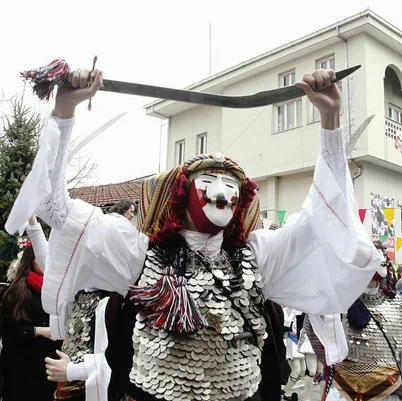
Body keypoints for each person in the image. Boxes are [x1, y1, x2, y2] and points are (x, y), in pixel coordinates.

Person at [6, 65, 381, 401]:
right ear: (180, 197)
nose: (221, 191)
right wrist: (66, 110)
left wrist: (330, 121)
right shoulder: (138, 254)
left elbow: (324, 218)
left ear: (241, 200)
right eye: (209, 181)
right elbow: (55, 207)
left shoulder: (260, 256)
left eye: (230, 184)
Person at [304, 240, 402, 401]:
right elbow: (313, 329)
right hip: (343, 390)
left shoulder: (400, 306)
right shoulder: (338, 302)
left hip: (386, 391)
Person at [0, 216, 62, 401]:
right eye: (41, 257)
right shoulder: (15, 291)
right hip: (21, 367)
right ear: (30, 260)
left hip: (48, 366)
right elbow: (7, 330)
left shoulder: (56, 288)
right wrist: (37, 331)